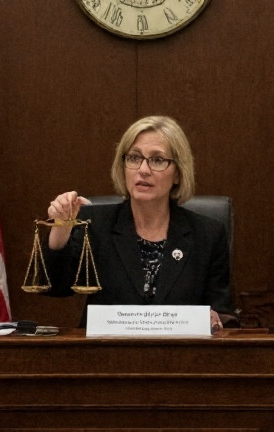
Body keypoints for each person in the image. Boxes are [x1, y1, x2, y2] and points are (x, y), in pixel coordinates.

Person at [42, 115, 234, 328]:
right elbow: (55, 287)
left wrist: (215, 321)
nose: (143, 169)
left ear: (178, 173)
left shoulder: (208, 234)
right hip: (105, 356)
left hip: (181, 357)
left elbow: (224, 313)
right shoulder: (95, 224)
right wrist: (61, 230)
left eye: (158, 160)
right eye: (134, 158)